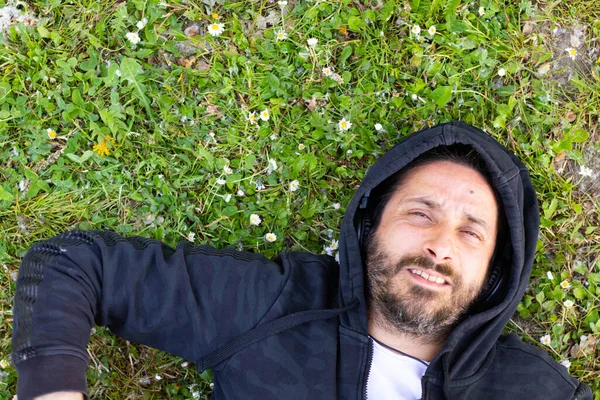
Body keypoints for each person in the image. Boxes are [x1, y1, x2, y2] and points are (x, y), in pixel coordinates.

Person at [12, 121, 592, 400]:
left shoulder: (537, 392)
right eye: (420, 213)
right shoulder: (275, 304)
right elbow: (70, 262)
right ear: (369, 225)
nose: (440, 244)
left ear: (495, 271)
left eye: (471, 233)